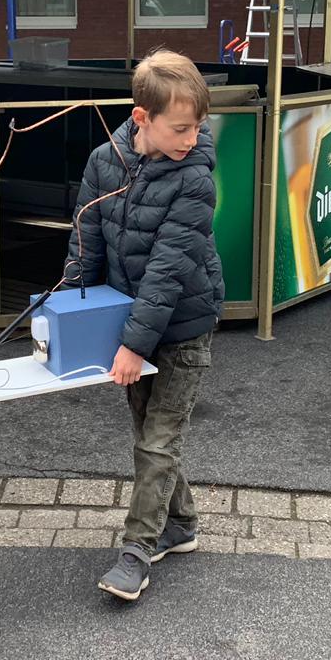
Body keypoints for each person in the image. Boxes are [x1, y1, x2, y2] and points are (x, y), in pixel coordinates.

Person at [65, 50, 225, 602]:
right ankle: (180, 525)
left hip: (183, 325)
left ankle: (136, 552)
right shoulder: (102, 162)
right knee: (149, 435)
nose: (191, 138)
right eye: (180, 128)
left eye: (197, 126)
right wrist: (69, 316)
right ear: (142, 118)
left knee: (158, 441)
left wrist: (133, 345)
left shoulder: (195, 179)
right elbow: (85, 244)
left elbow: (167, 269)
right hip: (129, 320)